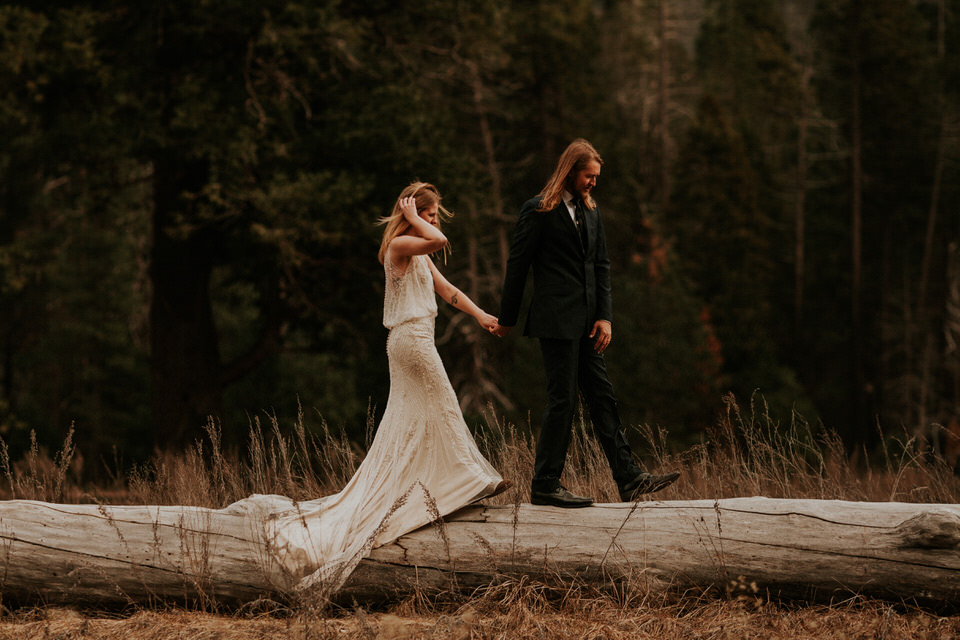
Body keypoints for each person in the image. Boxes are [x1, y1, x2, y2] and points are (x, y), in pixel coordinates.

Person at [259, 182, 509, 592]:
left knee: (415, 419)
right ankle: (467, 481)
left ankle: (436, 489)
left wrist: (482, 316)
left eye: (430, 218)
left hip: (415, 339)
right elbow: (440, 240)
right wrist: (413, 220)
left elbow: (448, 292)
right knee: (445, 404)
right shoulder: (399, 246)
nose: (432, 223)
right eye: (428, 215)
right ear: (411, 214)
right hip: (410, 339)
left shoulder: (418, 251)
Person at [492, 139, 679, 507]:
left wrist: (605, 316)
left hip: (589, 324)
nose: (594, 182)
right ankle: (545, 483)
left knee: (602, 397)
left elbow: (601, 266)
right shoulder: (538, 210)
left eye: (597, 177)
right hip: (555, 322)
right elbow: (517, 266)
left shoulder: (591, 211)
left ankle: (629, 479)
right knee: (563, 401)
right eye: (589, 176)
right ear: (571, 170)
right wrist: (506, 320)